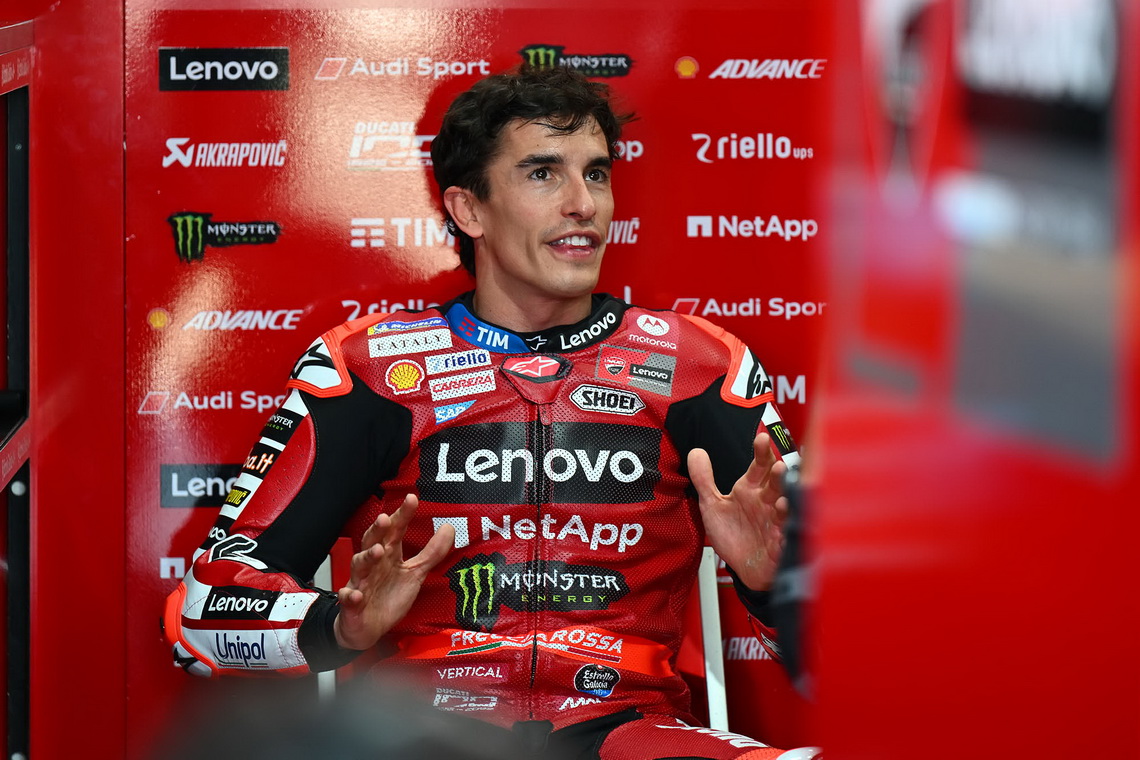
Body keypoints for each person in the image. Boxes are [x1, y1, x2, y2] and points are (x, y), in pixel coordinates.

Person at [162, 65, 818, 760]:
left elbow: (851, 651)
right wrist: (338, 625)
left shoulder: (700, 366)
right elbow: (198, 615)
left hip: (634, 733)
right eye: (543, 173)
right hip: (427, 738)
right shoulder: (370, 369)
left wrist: (771, 585)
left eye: (596, 174)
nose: (584, 204)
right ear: (468, 210)